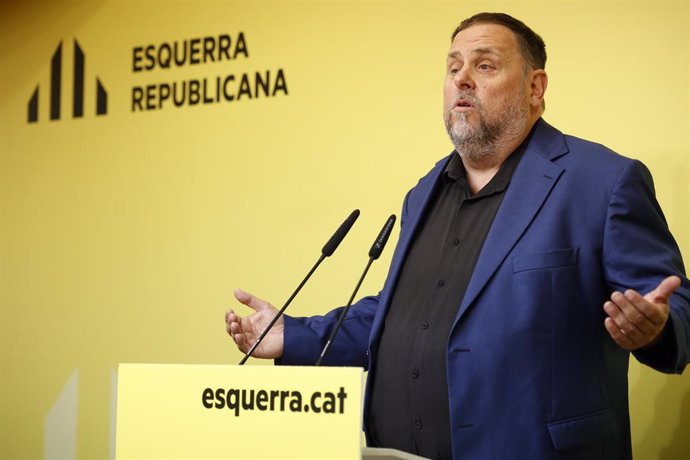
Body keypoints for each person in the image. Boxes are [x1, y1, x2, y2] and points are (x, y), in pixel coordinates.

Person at [225, 12, 690, 460]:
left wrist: (657, 328)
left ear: (535, 87)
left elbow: (676, 310)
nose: (462, 78)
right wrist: (291, 335)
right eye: (453, 67)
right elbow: (396, 317)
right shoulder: (423, 193)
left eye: (484, 65)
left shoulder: (602, 182)